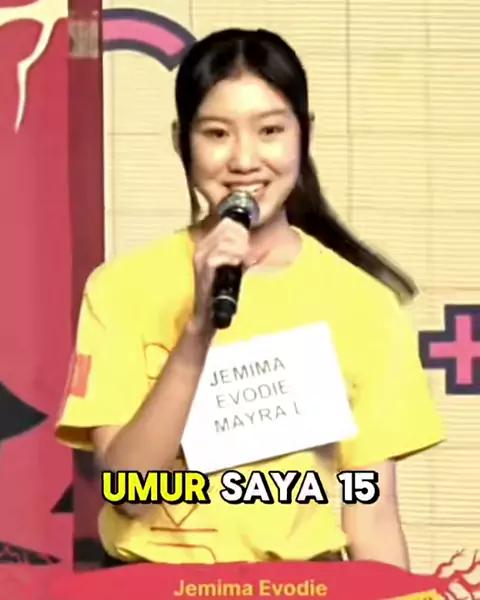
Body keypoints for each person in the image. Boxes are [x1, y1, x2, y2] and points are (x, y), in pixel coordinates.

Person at [55, 28, 445, 569]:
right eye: (217, 133)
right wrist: (197, 332)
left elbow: (372, 516)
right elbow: (131, 493)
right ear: (182, 142)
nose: (244, 159)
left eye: (270, 131)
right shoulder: (121, 288)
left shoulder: (362, 304)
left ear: (304, 135)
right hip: (155, 585)